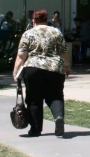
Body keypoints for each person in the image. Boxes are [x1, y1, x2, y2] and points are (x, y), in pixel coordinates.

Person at [12, 9, 70, 137]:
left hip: (33, 68)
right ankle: (58, 117)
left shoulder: (28, 34)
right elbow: (64, 52)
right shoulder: (56, 32)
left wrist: (16, 72)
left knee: (34, 99)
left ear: (34, 20)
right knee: (55, 95)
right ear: (46, 19)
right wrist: (67, 67)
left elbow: (21, 56)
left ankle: (35, 130)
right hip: (55, 68)